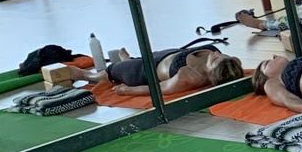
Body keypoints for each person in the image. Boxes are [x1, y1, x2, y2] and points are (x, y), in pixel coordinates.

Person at [60, 39, 244, 97]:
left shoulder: (190, 76)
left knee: (105, 74)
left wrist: (128, 91)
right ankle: (129, 59)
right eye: (221, 54)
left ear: (211, 73)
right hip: (170, 54)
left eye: (215, 59)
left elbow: (160, 89)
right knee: (139, 58)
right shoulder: (228, 62)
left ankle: (86, 75)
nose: (216, 53)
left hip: (144, 71)